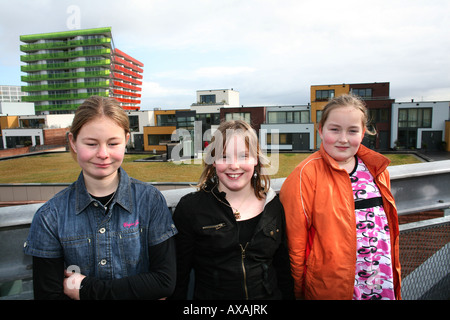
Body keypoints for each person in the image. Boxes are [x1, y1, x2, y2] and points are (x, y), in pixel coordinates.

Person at [23, 96, 177, 300]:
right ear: (73, 142)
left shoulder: (150, 201)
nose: (103, 154)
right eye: (91, 144)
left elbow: (164, 282)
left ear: (126, 141)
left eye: (113, 143)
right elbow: (48, 295)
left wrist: (86, 288)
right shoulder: (49, 217)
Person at [280, 94, 401, 300]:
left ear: (363, 133)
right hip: (332, 287)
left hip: (379, 278)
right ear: (320, 130)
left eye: (352, 131)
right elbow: (296, 246)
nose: (343, 139)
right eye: (334, 129)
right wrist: (299, 291)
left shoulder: (378, 171)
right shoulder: (304, 176)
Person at [170, 120, 294, 300]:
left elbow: (283, 270)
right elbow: (179, 277)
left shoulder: (273, 205)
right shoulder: (191, 209)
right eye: (224, 156)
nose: (234, 166)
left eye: (244, 156)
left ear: (256, 159)